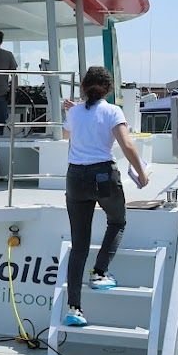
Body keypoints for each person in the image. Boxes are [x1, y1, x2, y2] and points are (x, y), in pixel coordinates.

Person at [61, 66, 148, 328]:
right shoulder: (112, 111)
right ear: (108, 89)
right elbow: (127, 144)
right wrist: (142, 173)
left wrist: (72, 109)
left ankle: (74, 308)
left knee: (79, 245)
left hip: (75, 177)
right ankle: (99, 271)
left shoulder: (74, 112)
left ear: (83, 87)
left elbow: (68, 134)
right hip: (102, 175)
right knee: (117, 221)